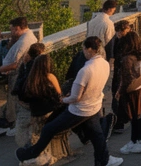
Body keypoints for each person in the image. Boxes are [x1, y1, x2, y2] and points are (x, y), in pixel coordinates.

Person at [16, 35, 123, 166]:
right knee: (97, 135)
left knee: (48, 129)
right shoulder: (105, 64)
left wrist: (63, 100)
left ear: (89, 49)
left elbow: (75, 97)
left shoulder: (85, 70)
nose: (83, 52)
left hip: (79, 110)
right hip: (94, 105)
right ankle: (103, 160)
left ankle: (28, 154)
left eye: (84, 49)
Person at [18, 52, 73, 164]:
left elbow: (24, 98)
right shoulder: (50, 77)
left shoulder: (30, 79)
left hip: (36, 115)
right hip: (49, 113)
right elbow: (59, 94)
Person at [113, 31, 141, 154]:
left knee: (134, 117)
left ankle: (135, 141)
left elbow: (126, 80)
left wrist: (119, 92)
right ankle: (139, 140)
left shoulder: (127, 59)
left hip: (134, 92)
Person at [0, 17, 35, 131]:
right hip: (22, 73)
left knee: (15, 100)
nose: (11, 32)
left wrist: (1, 69)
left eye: (12, 29)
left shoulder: (24, 42)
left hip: (18, 75)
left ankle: (13, 124)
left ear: (18, 28)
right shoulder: (28, 37)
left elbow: (16, 63)